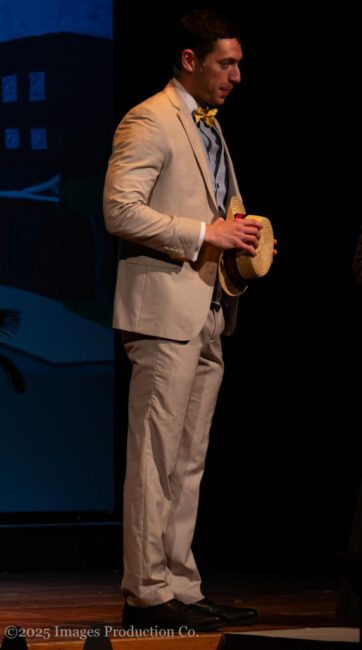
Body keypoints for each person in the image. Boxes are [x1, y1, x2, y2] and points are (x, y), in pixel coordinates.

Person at [103, 9, 264, 632]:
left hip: (210, 309)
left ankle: (181, 585)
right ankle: (145, 594)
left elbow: (218, 210)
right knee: (155, 456)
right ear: (191, 61)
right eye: (226, 62)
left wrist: (246, 238)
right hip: (163, 314)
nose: (237, 75)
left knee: (188, 459)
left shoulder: (210, 129)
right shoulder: (150, 118)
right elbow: (120, 210)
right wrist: (205, 233)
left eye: (239, 62)